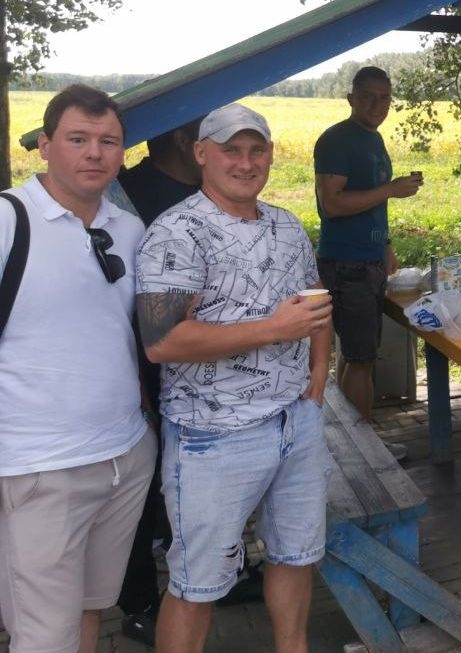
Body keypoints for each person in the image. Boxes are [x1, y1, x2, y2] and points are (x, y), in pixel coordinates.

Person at [136, 103, 332, 653]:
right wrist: (272, 330)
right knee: (196, 584)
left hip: (296, 422)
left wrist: (317, 380)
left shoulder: (287, 225)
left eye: (257, 149)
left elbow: (315, 302)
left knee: (296, 555)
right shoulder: (176, 232)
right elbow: (163, 342)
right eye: (231, 149)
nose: (245, 163)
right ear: (201, 153)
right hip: (213, 438)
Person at [0, 84, 155, 653]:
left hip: (125, 456)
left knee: (92, 612)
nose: (94, 153)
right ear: (44, 145)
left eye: (108, 141)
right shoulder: (7, 220)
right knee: (43, 637)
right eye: (78, 139)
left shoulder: (129, 230)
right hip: (40, 468)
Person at [114, 118, 267, 647]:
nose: (239, 161)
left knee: (187, 493)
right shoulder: (144, 199)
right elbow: (161, 324)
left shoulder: (202, 195)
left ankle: (221, 573)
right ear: (191, 144)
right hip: (145, 369)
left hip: (216, 375)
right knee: (145, 487)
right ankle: (139, 600)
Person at [315, 65, 421, 458]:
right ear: (350, 99)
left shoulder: (371, 139)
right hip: (348, 264)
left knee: (355, 356)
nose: (378, 104)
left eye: (385, 98)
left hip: (368, 260)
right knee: (360, 361)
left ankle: (349, 440)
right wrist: (391, 190)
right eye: (368, 96)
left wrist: (386, 244)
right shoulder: (338, 140)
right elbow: (332, 203)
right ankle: (365, 449)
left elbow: (371, 201)